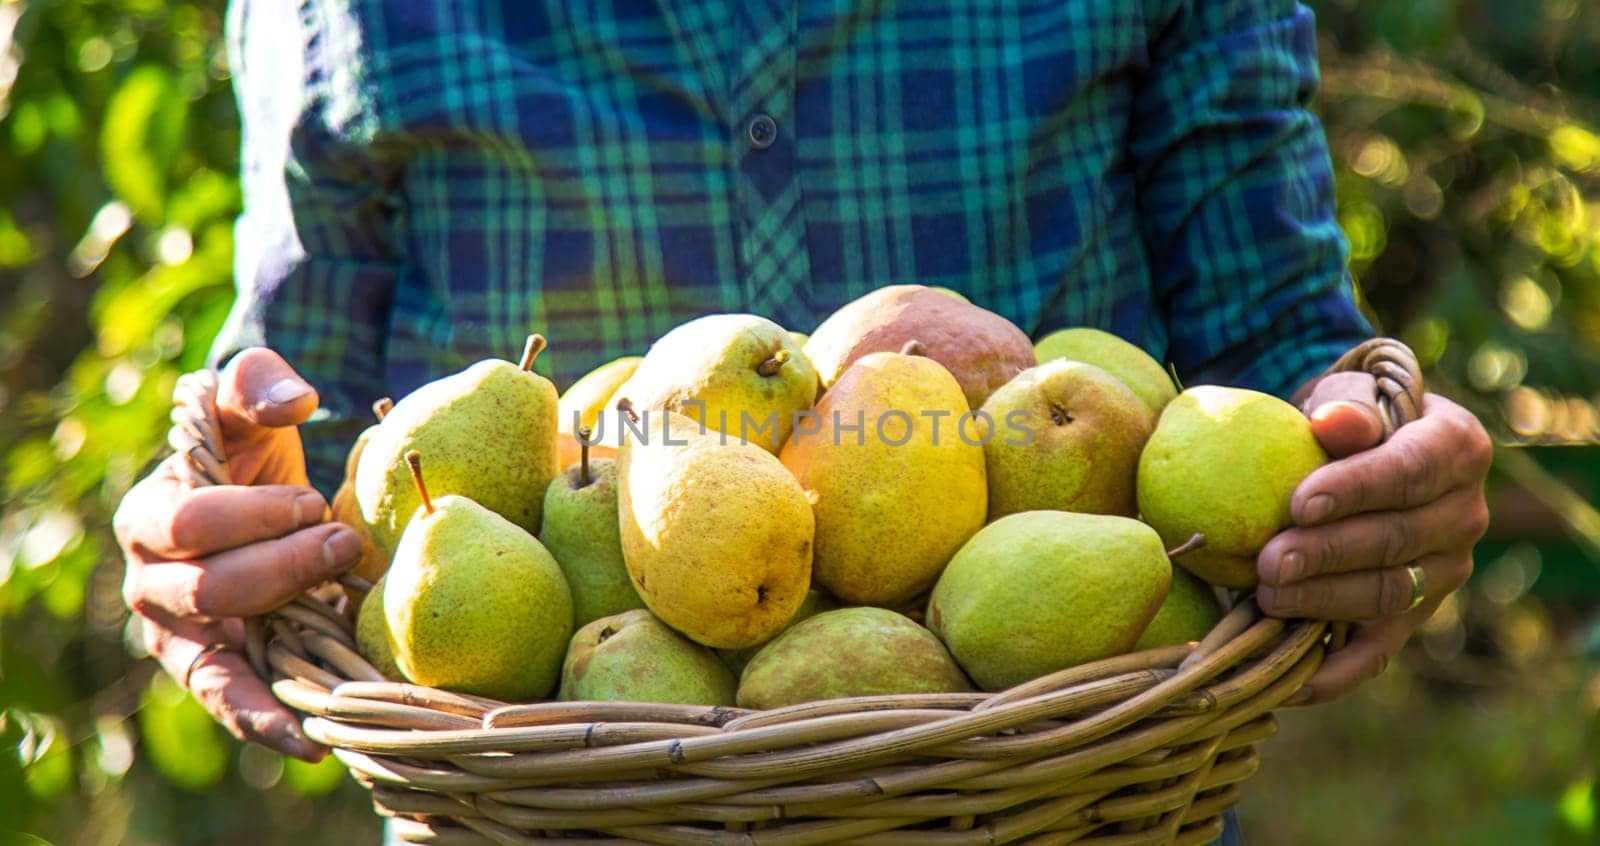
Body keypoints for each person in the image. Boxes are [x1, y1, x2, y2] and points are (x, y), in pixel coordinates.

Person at [113, 0, 1491, 838]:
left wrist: (1371, 451)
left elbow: (1284, 355)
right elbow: (295, 414)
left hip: (1068, 794)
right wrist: (218, 523)